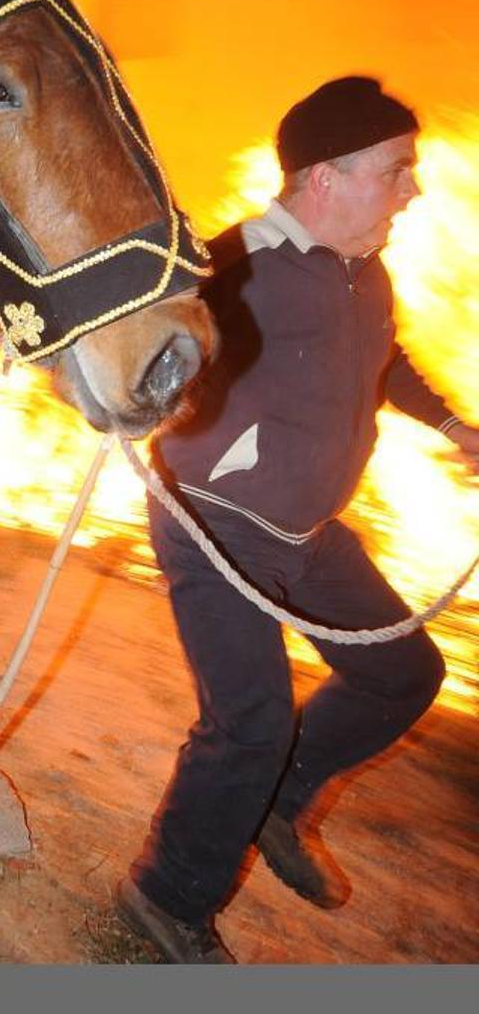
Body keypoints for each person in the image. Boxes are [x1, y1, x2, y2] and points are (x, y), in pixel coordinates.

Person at [116, 75, 479, 964]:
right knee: (249, 720)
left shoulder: (365, 272)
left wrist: (454, 426)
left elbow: (383, 359)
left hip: (306, 534)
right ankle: (164, 896)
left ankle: (277, 799)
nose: (413, 189)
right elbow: (147, 347)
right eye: (395, 171)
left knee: (403, 672)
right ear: (326, 177)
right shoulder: (232, 269)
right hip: (214, 526)